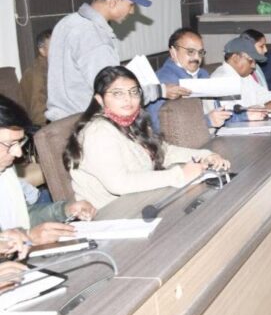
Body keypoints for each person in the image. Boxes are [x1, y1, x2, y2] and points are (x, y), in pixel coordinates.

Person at [64, 66, 230, 210]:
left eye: (134, 92)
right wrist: (179, 175)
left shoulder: (131, 121)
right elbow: (119, 183)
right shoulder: (98, 132)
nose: (128, 99)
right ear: (100, 100)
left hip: (140, 203)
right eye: (117, 94)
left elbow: (165, 152)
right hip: (110, 215)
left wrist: (205, 155)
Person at [46, 0, 188, 121]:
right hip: (84, 122)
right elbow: (116, 93)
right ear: (112, 2)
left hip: (61, 122)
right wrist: (160, 90)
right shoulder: (94, 37)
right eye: (131, 5)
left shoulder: (68, 22)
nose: (132, 11)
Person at [0, 95, 96, 245]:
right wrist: (28, 237)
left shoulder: (5, 171)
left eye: (19, 142)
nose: (18, 153)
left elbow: (21, 217)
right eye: (9, 144)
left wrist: (64, 210)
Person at [146, 29, 232, 131]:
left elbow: (218, 112)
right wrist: (207, 121)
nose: (197, 57)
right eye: (190, 52)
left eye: (200, 52)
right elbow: (159, 127)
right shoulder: (163, 82)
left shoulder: (202, 74)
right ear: (173, 52)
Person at [19, 29, 52, 125]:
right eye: (55, 47)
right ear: (42, 51)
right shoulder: (36, 73)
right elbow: (38, 115)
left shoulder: (57, 68)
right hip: (43, 126)